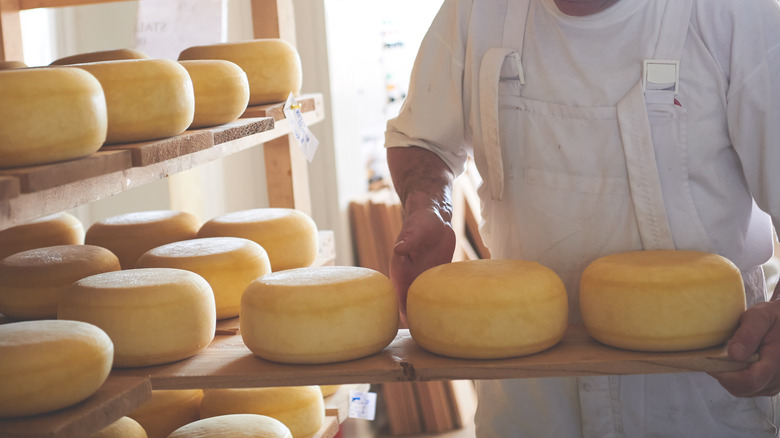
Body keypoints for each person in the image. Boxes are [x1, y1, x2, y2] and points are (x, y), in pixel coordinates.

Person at [384, 0, 780, 436]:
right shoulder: (476, 10)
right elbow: (422, 138)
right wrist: (428, 203)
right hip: (528, 399)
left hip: (699, 398)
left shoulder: (741, 15)